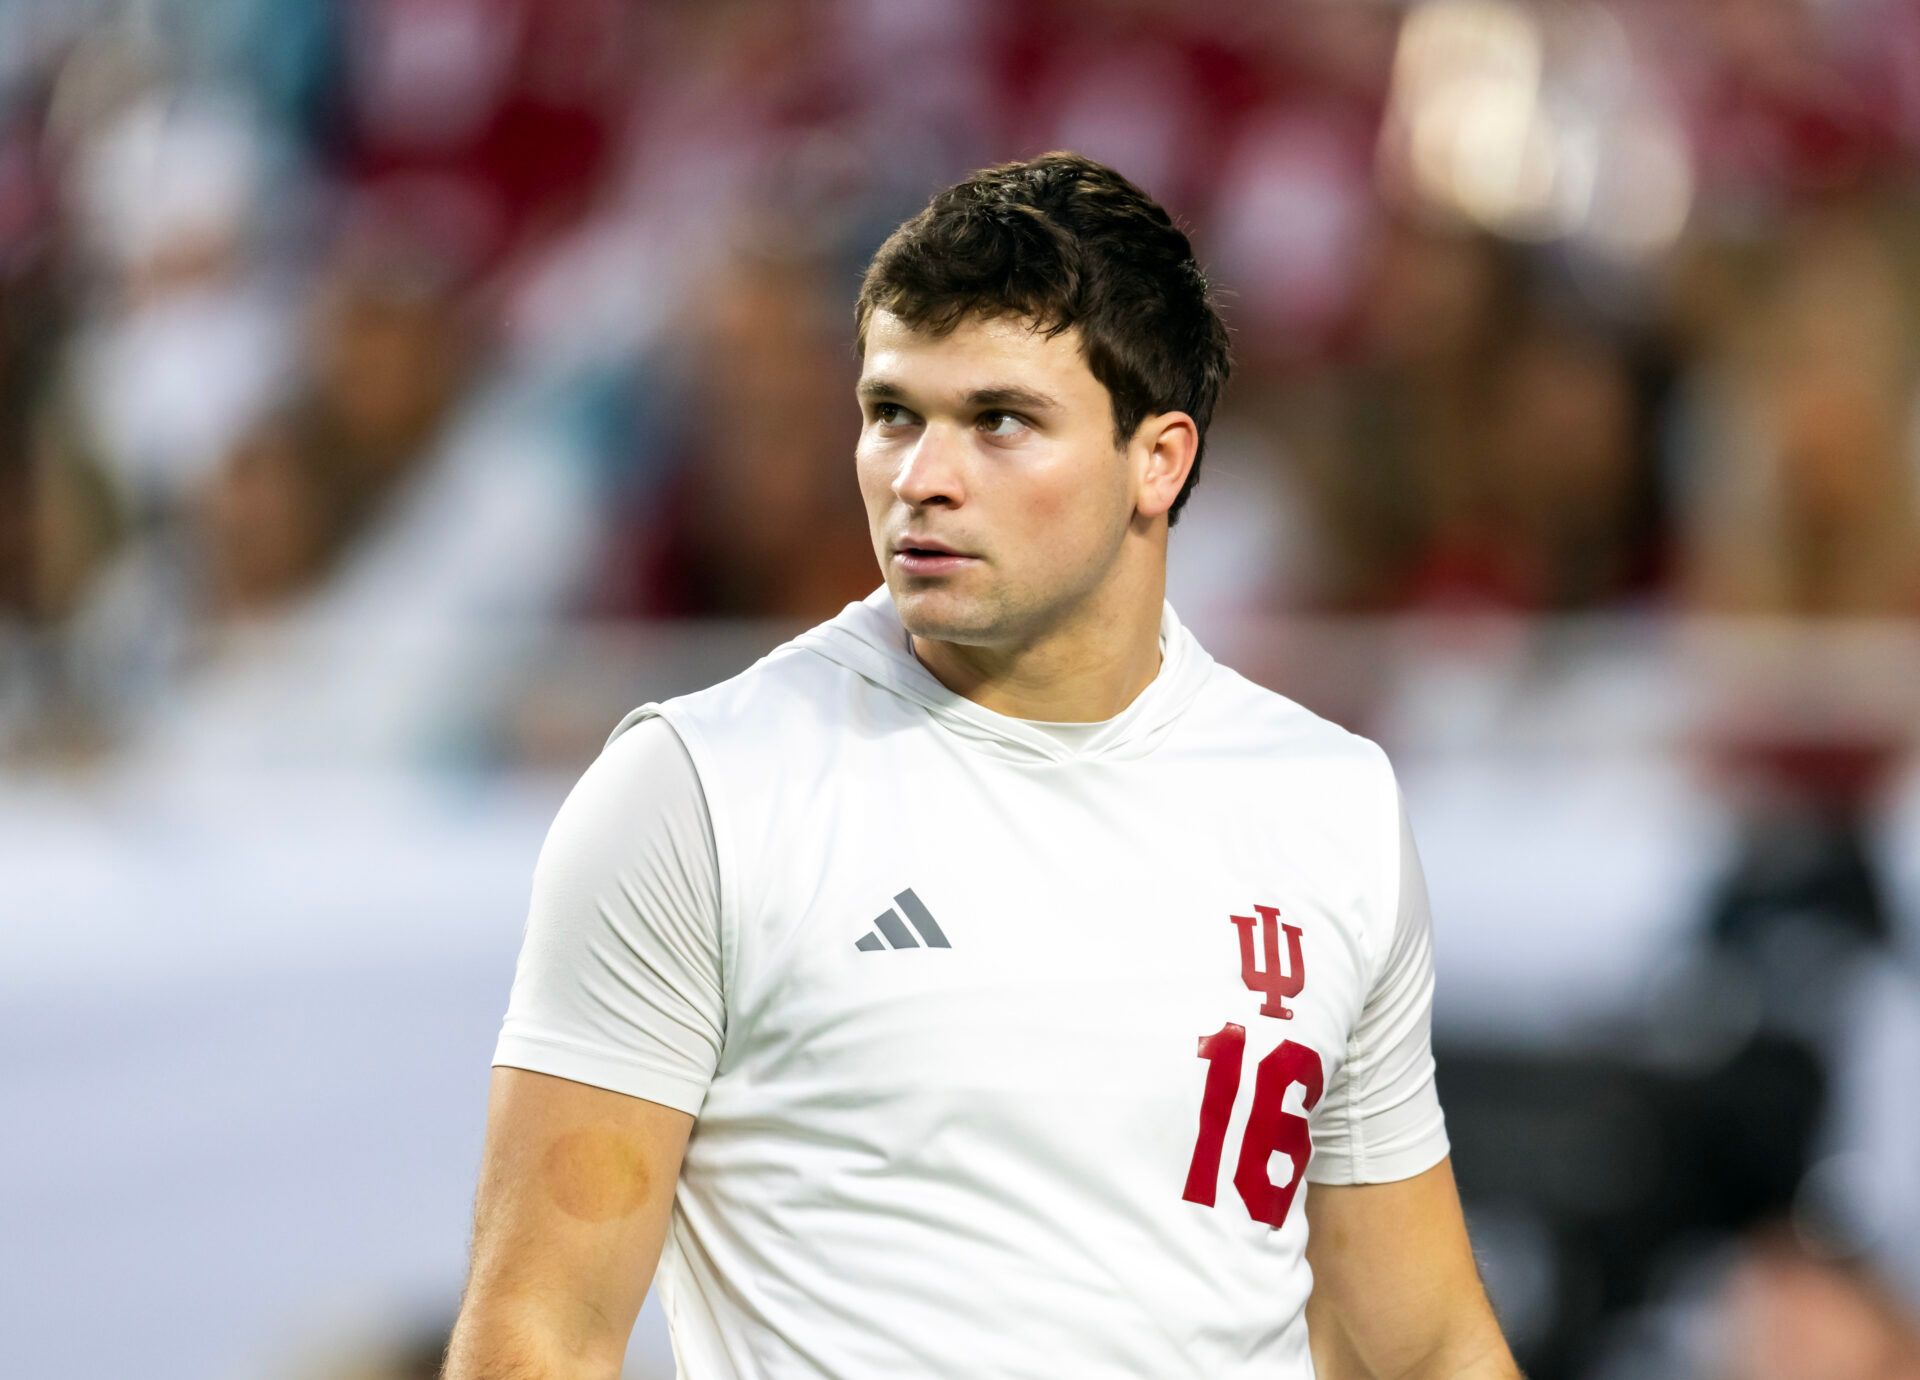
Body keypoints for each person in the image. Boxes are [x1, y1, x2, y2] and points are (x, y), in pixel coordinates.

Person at [445, 152, 1522, 1380]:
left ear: (1158, 462)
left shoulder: (1327, 808)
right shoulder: (701, 792)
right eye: (893, 414)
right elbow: (540, 1333)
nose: (922, 478)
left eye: (999, 421)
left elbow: (1423, 1343)